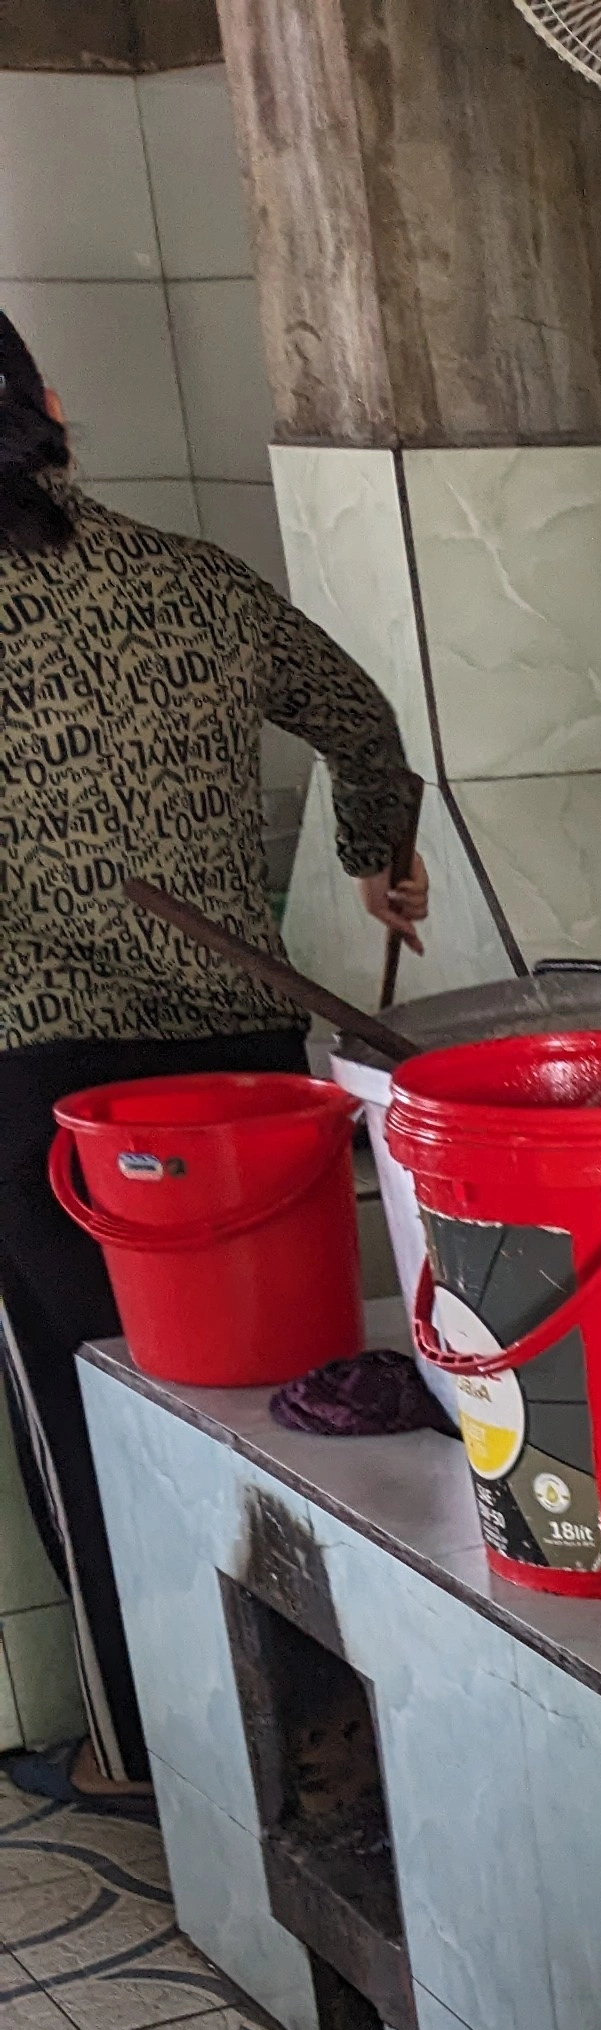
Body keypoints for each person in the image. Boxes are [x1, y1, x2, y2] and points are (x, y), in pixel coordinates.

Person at [0, 302, 429, 1794]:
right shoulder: (187, 582)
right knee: (279, 1399)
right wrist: (382, 855)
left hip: (42, 1094)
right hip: (244, 1065)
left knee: (85, 1403)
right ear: (48, 406)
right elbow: (360, 718)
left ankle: (146, 1756)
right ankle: (341, 1724)